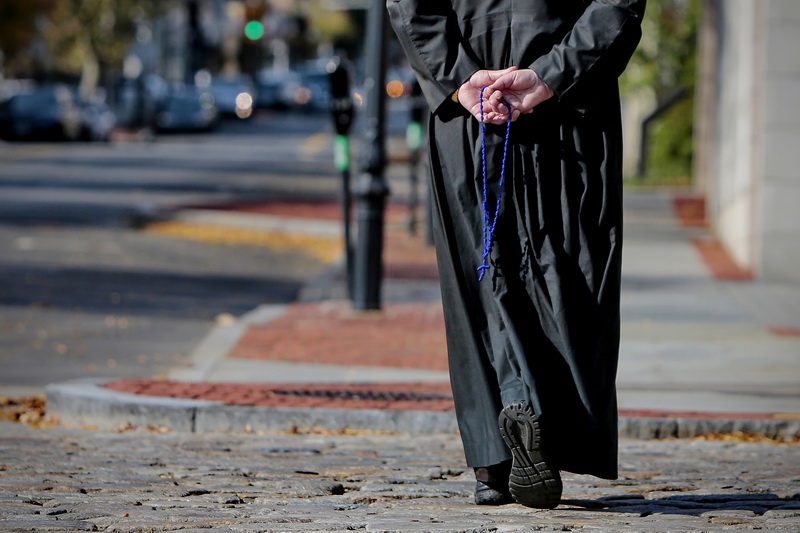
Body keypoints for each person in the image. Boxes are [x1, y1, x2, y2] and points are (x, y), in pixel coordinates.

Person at [387, 0, 646, 508]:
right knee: (567, 266)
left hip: (477, 102)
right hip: (567, 104)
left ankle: (496, 453)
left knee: (481, 270)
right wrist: (551, 72)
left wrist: (459, 76)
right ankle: (544, 424)